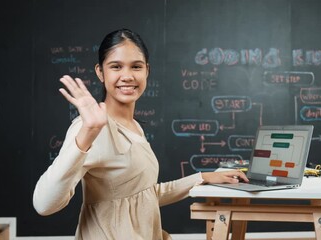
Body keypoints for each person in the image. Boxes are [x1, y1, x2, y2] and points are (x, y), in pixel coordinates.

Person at [33, 28, 248, 240]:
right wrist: (87, 133)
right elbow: (44, 205)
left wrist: (202, 178)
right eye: (116, 66)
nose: (127, 76)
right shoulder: (91, 128)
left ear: (147, 71)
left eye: (136, 66)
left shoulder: (134, 126)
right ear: (100, 72)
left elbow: (143, 195)